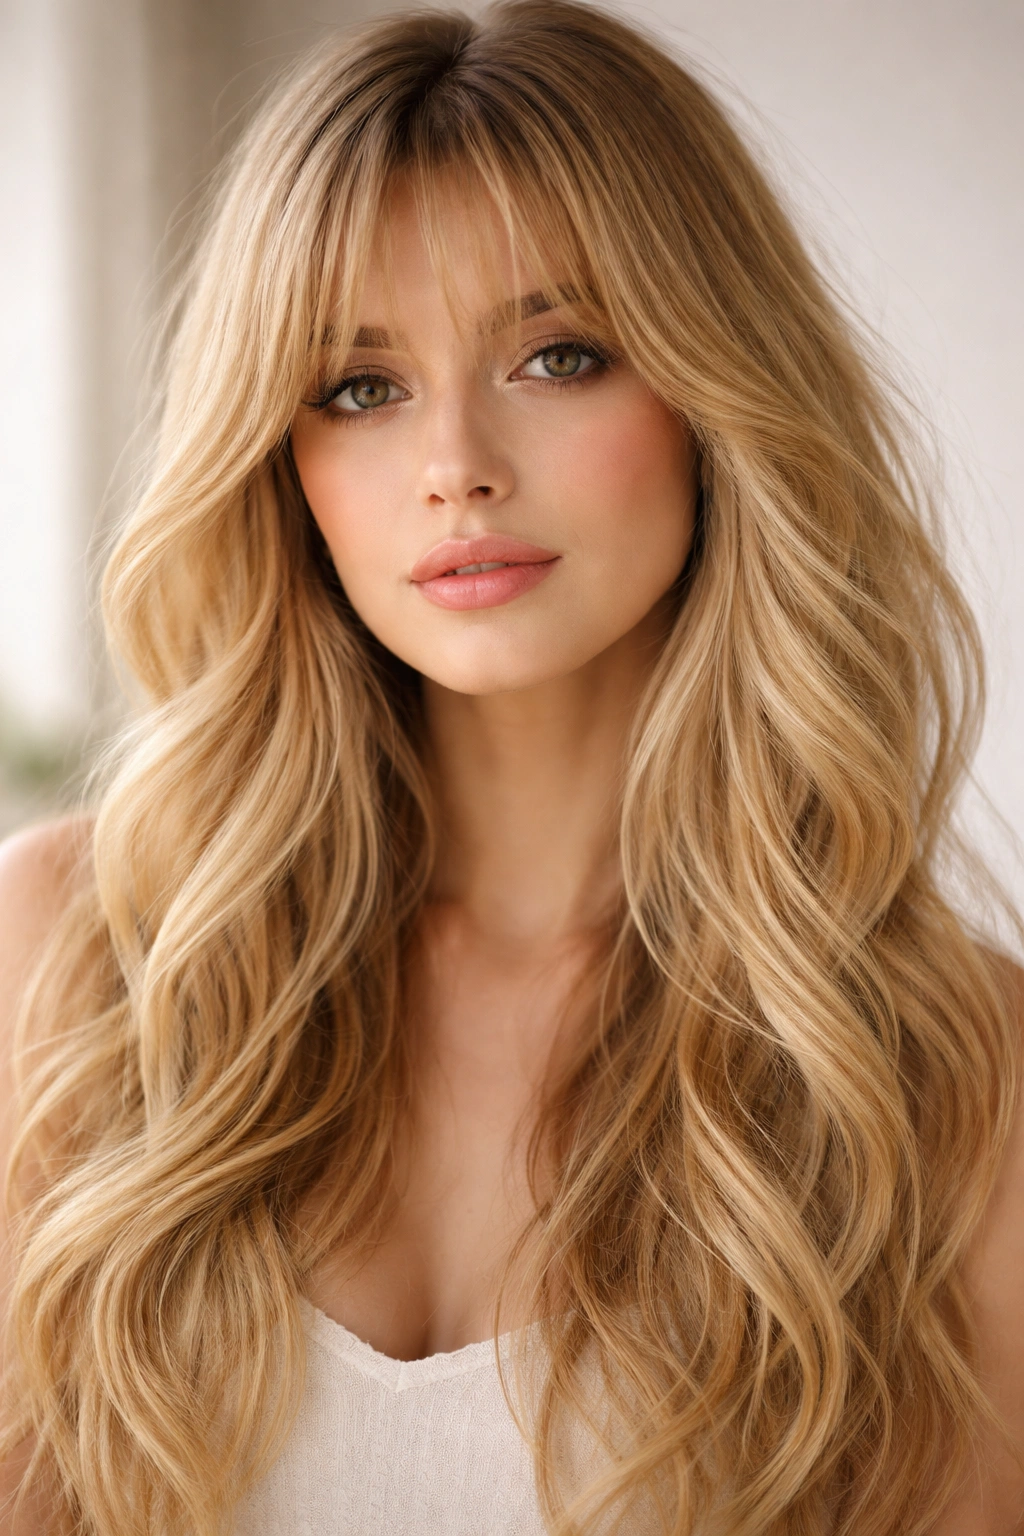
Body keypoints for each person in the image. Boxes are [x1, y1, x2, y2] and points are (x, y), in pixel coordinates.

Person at [1, 2, 1022, 1532]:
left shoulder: (951, 1078)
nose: (455, 467)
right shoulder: (69, 960)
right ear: (279, 460)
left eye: (559, 356)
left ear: (715, 398)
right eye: (361, 387)